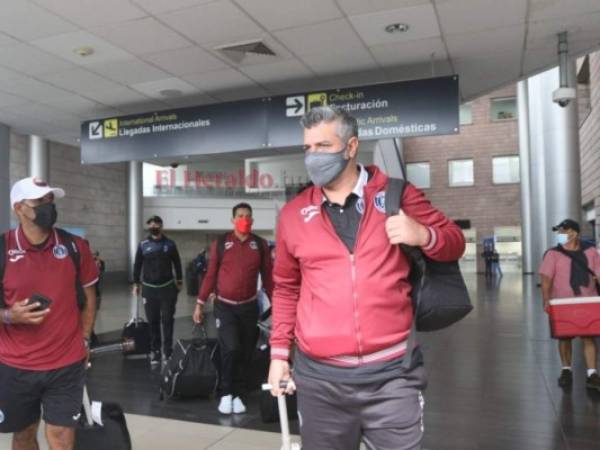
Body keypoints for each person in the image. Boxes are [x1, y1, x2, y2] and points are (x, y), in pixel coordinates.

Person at [267, 106, 465, 450]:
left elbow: (454, 241)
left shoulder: (397, 195)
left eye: (323, 146)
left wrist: (423, 235)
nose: (312, 156)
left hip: (392, 376)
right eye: (307, 148)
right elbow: (286, 288)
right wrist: (279, 354)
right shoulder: (293, 214)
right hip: (320, 380)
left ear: (351, 146)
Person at [0, 177, 99, 450]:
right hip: (15, 365)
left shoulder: (76, 247)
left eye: (50, 200)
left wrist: (85, 338)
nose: (48, 206)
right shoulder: (3, 248)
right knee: (23, 436)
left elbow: (90, 297)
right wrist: (10, 316)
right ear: (19, 208)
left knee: (61, 437)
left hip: (66, 363)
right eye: (39, 201)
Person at [193, 203, 274, 415]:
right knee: (230, 347)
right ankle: (226, 392)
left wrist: (277, 303)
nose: (244, 219)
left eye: (247, 216)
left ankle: (238, 394)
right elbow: (210, 275)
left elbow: (268, 277)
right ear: (232, 220)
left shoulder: (260, 244)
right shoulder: (220, 243)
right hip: (225, 307)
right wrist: (200, 303)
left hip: (249, 307)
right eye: (240, 216)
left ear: (252, 220)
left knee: (245, 352)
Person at [539, 219, 600, 391]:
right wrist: (546, 300)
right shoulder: (552, 253)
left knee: (589, 336)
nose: (561, 234)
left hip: (588, 300)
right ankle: (566, 370)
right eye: (560, 232)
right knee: (564, 337)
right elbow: (546, 279)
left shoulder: (591, 251)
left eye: (564, 231)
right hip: (561, 302)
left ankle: (592, 374)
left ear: (575, 232)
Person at [133, 216, 182, 366]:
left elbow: (177, 263)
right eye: (151, 224)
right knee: (153, 321)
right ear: (148, 226)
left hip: (167, 288)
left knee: (167, 320)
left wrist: (179, 280)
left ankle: (167, 351)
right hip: (149, 289)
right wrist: (136, 283)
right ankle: (155, 351)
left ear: (161, 226)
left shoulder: (170, 244)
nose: (154, 226)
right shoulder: (143, 245)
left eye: (157, 224)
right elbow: (137, 265)